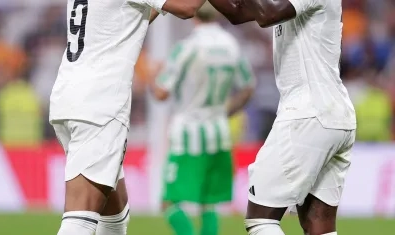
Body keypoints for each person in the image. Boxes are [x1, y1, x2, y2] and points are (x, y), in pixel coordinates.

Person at [49, 0, 210, 234]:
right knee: (80, 217)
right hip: (100, 105)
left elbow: (124, 19)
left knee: (115, 214)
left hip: (68, 98)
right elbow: (187, 7)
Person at [207, 0, 357, 234]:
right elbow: (238, 13)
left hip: (308, 113)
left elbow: (267, 13)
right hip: (333, 115)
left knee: (261, 219)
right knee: (319, 227)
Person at [149, 2, 254, 234]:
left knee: (169, 201)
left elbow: (161, 93)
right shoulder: (231, 45)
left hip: (189, 133)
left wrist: (151, 76)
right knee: (209, 202)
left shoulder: (187, 47)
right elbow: (248, 87)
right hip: (219, 132)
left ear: (194, 14)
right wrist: (223, 113)